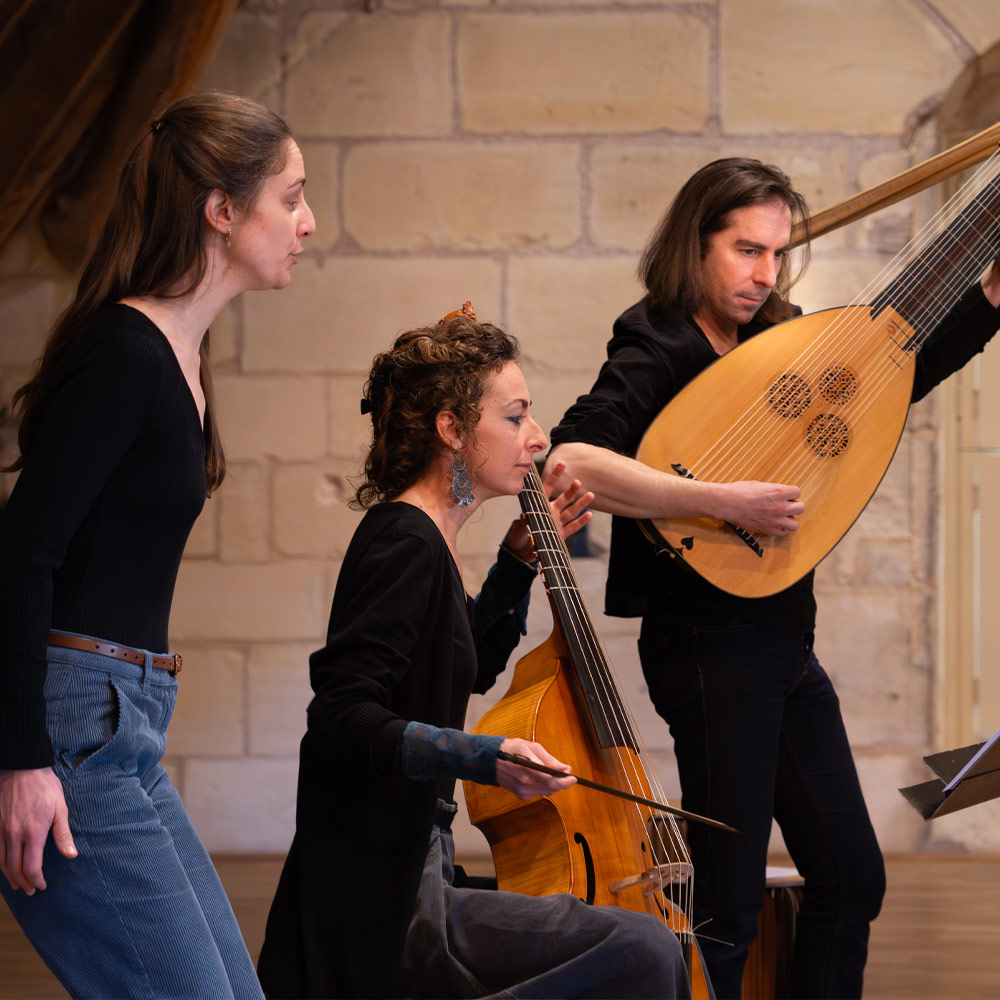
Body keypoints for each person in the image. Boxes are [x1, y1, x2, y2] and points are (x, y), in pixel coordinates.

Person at [545, 157, 1000, 999]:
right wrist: (720, 499)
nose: (764, 275)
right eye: (746, 251)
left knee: (851, 879)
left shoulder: (777, 337)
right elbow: (572, 462)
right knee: (726, 904)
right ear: (696, 244)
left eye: (777, 255)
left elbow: (883, 388)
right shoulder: (655, 341)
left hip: (785, 641)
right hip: (707, 647)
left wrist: (988, 300)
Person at [256, 304, 693, 1000]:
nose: (539, 437)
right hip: (384, 904)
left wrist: (516, 565)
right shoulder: (406, 542)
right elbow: (341, 717)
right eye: (515, 416)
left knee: (632, 943)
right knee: (640, 946)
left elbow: (467, 666)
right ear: (453, 429)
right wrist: (484, 757)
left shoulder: (426, 538)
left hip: (415, 877)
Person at [0, 92, 316, 998]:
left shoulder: (180, 354)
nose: (308, 221)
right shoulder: (125, 353)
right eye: (290, 196)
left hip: (125, 722)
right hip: (72, 724)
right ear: (221, 210)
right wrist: (19, 759)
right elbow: (23, 553)